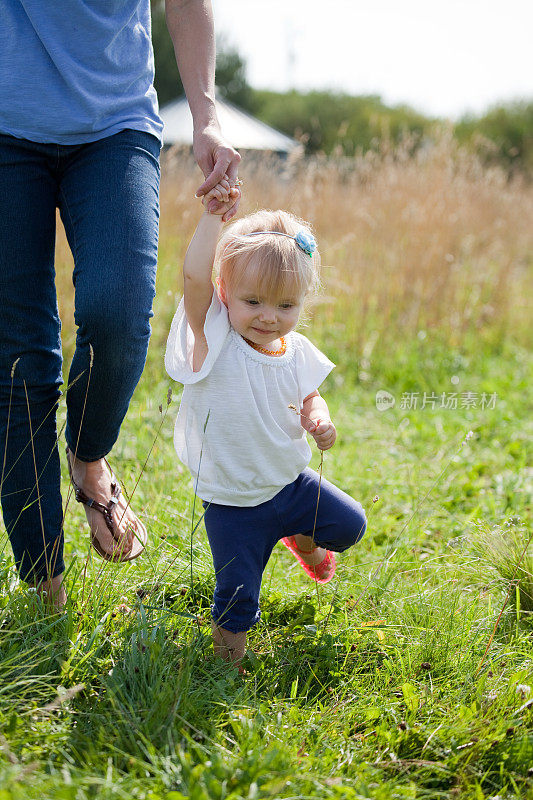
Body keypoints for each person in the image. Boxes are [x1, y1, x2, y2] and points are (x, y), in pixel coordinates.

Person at [0, 0, 241, 610]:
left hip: (114, 127)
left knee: (118, 316)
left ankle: (88, 456)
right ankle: (46, 586)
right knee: (18, 360)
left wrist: (207, 115)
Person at [164, 193, 368, 664]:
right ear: (224, 294)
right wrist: (213, 217)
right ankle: (224, 669)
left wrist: (320, 417)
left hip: (290, 484)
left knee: (351, 523)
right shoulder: (214, 341)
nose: (268, 316)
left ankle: (301, 536)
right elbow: (193, 275)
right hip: (233, 504)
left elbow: (311, 394)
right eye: (252, 301)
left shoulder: (294, 349)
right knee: (237, 597)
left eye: (285, 305)